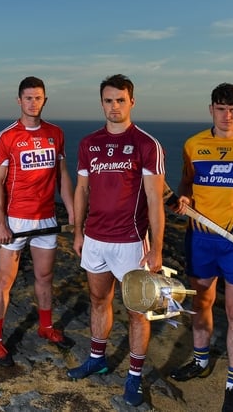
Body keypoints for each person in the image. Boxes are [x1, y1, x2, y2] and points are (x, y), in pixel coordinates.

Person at [168, 83, 233, 412]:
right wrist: (185, 197)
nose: (227, 116)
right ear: (211, 109)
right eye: (221, 109)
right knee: (201, 302)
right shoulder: (193, 145)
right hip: (201, 239)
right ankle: (201, 362)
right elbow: (186, 183)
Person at [66, 74, 165, 407]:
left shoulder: (146, 144)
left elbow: (155, 200)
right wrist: (78, 232)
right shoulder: (88, 143)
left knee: (138, 311)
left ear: (131, 102)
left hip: (131, 242)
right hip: (95, 239)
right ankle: (98, 358)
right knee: (98, 300)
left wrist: (157, 249)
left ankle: (134, 377)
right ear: (101, 103)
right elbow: (81, 190)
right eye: (108, 100)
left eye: (120, 100)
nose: (114, 106)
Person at [0, 76, 75, 367]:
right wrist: (0, 223)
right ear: (19, 100)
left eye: (38, 98)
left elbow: (63, 175)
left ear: (44, 100)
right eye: (28, 98)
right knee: (4, 281)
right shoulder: (6, 137)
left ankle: (46, 327)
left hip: (46, 218)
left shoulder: (56, 133)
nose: (33, 103)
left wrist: (73, 212)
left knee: (45, 277)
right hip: (16, 220)